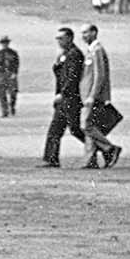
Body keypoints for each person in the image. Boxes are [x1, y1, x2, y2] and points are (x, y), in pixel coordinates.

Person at [78, 23, 121, 169]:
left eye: (86, 32)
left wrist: (92, 95)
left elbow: (99, 75)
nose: (84, 36)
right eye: (82, 33)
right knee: (91, 126)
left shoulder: (97, 50)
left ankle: (110, 148)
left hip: (93, 96)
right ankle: (90, 160)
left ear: (94, 32)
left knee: (86, 125)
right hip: (87, 96)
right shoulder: (90, 50)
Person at [41, 27, 85, 168]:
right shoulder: (64, 54)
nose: (59, 41)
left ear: (70, 38)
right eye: (57, 38)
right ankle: (51, 159)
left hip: (70, 98)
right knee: (55, 129)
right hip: (64, 98)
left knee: (75, 129)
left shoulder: (75, 54)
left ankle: (105, 148)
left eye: (61, 38)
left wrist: (63, 93)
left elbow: (73, 77)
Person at [0, 35, 20, 117]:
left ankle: (12, 106)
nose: (4, 45)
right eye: (3, 43)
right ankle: (4, 111)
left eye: (6, 43)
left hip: (10, 74)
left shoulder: (13, 53)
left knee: (13, 93)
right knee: (2, 94)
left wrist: (15, 73)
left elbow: (16, 64)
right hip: (1, 75)